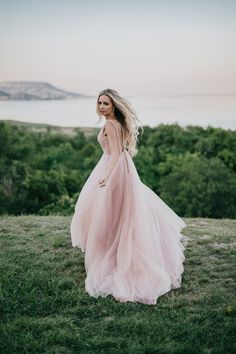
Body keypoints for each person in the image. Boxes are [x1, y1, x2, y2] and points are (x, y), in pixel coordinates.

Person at [70, 88, 188, 305]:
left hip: (114, 169)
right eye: (99, 103)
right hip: (122, 168)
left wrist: (107, 176)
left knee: (111, 212)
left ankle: (117, 256)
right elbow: (119, 152)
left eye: (106, 103)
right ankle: (114, 250)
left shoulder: (111, 124)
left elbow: (115, 153)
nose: (102, 107)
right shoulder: (117, 123)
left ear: (113, 105)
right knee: (121, 212)